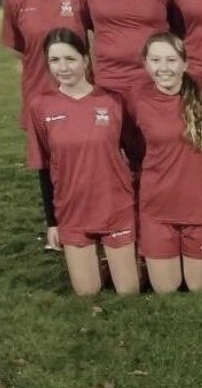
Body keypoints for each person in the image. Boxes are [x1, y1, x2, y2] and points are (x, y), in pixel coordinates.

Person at [25, 28, 140, 295]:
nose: (63, 67)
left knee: (128, 292)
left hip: (115, 206)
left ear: (85, 60)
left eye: (70, 58)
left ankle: (130, 261)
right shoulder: (40, 107)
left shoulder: (112, 101)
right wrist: (52, 222)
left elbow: (136, 155)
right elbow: (43, 166)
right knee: (87, 293)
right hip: (72, 210)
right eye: (55, 60)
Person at [130, 33, 202, 292]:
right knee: (166, 289)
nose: (164, 68)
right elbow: (131, 145)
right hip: (158, 206)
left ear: (185, 63)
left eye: (171, 60)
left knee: (197, 287)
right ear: (146, 64)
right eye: (156, 60)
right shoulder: (137, 98)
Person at [2, 0, 90, 130]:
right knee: (46, 160)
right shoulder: (15, 0)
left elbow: (96, 36)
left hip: (79, 93)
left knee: (83, 157)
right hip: (38, 94)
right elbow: (15, 47)